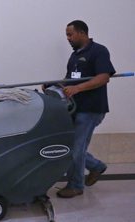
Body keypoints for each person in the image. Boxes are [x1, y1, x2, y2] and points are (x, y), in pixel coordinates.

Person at [56, 20, 115, 198]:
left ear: (82, 33)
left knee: (76, 148)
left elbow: (104, 77)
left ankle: (75, 185)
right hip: (76, 108)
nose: (67, 38)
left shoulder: (99, 51)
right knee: (73, 147)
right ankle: (96, 166)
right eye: (66, 34)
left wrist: (78, 88)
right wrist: (55, 85)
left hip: (92, 109)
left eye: (70, 34)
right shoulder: (74, 56)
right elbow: (70, 80)